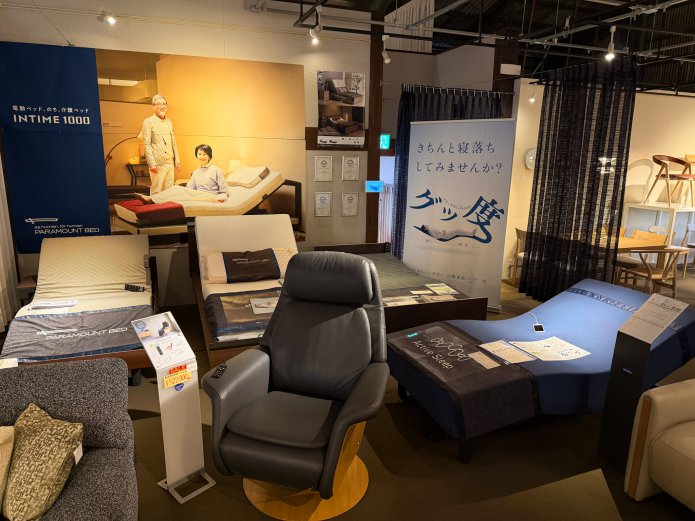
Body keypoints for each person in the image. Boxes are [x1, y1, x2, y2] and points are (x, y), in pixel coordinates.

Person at [134, 144, 228, 204]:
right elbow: (189, 189)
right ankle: (153, 199)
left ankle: (151, 199)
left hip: (210, 196)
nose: (202, 157)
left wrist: (220, 198)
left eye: (204, 154)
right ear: (196, 156)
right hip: (198, 195)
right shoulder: (196, 172)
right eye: (199, 154)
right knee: (176, 189)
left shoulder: (216, 170)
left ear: (209, 156)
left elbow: (224, 190)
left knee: (178, 190)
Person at [141, 94, 181, 195]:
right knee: (156, 192)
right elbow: (147, 144)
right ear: (153, 106)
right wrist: (152, 163)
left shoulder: (169, 122)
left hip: (170, 162)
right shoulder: (148, 121)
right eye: (158, 104)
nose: (162, 106)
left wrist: (177, 160)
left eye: (164, 104)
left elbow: (173, 142)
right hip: (158, 163)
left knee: (169, 192)